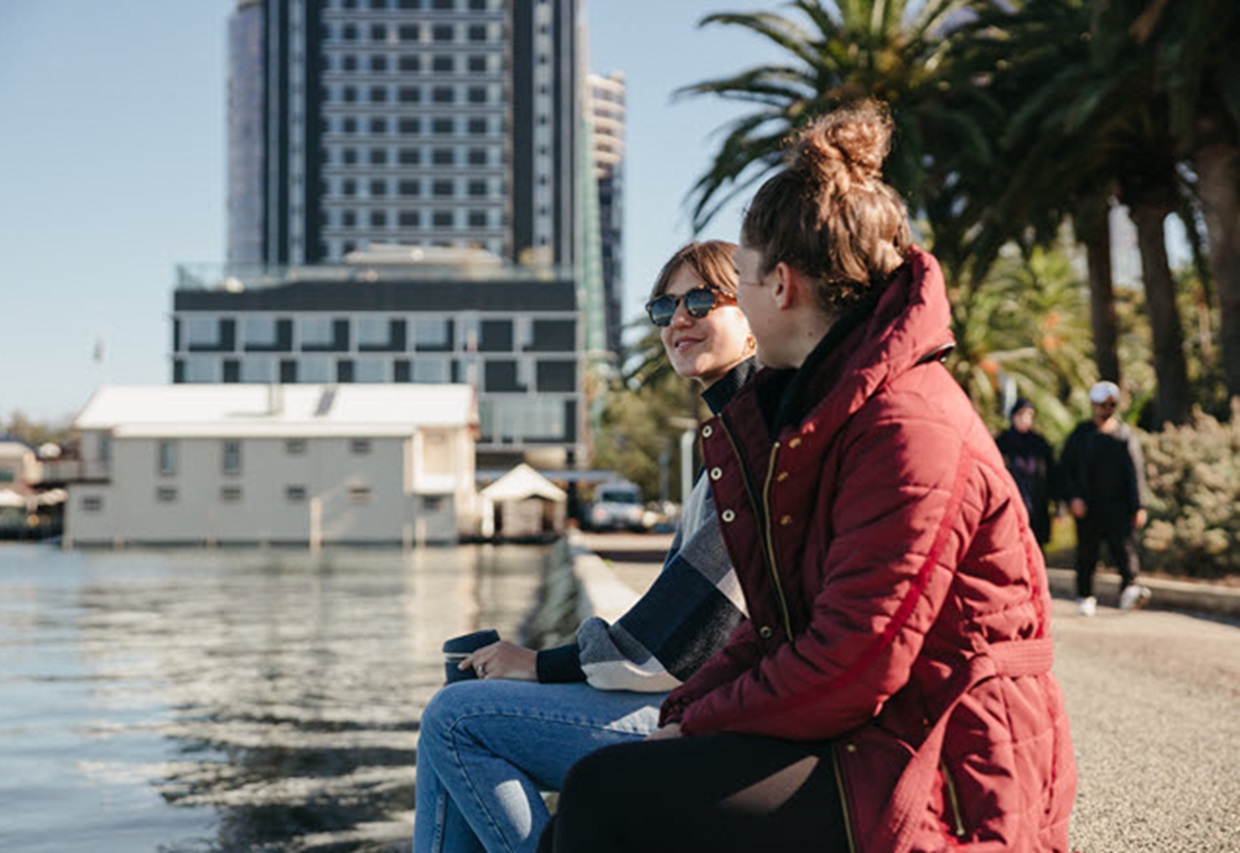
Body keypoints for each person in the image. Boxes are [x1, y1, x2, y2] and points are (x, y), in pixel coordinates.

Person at [542, 101, 1076, 853]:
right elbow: (777, 628)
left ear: (781, 286)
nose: (738, 301)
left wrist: (692, 725)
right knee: (605, 791)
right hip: (873, 737)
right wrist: (682, 713)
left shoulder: (904, 425)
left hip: (943, 773)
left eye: (742, 280)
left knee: (606, 795)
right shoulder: (826, 410)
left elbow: (852, 663)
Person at [412, 240, 757, 853]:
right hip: (708, 701)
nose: (679, 319)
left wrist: (542, 665)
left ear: (755, 316)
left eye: (701, 300)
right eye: (664, 307)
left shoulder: (753, 444)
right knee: (458, 706)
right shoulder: (726, 441)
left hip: (719, 720)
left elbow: (690, 635)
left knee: (455, 719)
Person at [1059, 380, 1151, 616]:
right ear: (1093, 405)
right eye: (1101, 404)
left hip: (1117, 507)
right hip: (1087, 506)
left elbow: (1135, 472)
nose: (1106, 409)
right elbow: (1066, 470)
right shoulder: (1080, 436)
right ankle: (1085, 596)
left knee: (1124, 549)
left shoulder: (1124, 436)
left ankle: (1130, 588)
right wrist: (1073, 498)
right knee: (1087, 553)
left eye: (1111, 405)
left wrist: (1139, 505)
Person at [996, 397, 1058, 547]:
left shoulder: (1039, 443)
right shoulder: (1002, 442)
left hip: (1036, 504)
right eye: (1021, 414)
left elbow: (1053, 475)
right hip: (1011, 504)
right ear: (1013, 416)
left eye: (1029, 415)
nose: (1025, 419)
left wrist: (1057, 503)